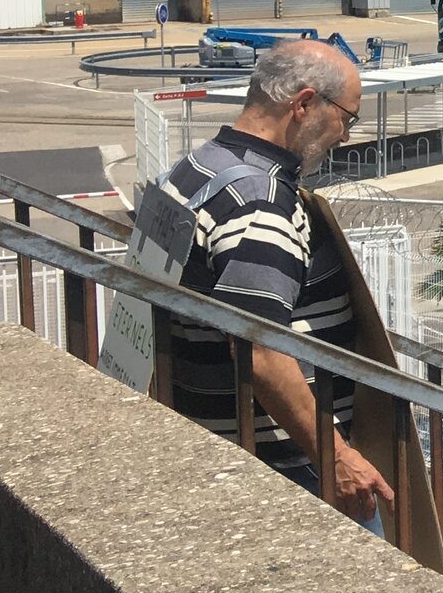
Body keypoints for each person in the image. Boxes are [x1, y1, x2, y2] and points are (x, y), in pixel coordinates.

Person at [159, 39, 395, 523]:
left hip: (214, 440)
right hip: (284, 469)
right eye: (346, 118)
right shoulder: (260, 200)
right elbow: (261, 351)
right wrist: (337, 460)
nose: (345, 136)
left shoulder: (201, 165)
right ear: (305, 104)